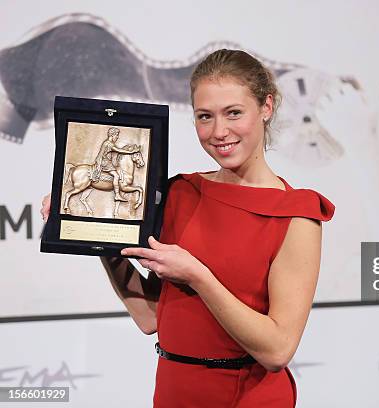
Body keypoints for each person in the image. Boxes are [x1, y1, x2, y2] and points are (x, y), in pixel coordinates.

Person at [42, 49, 335, 407]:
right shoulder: (180, 192)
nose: (219, 132)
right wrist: (97, 229)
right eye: (204, 116)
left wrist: (198, 276)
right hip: (174, 392)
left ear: (267, 108)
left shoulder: (296, 214)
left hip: (247, 398)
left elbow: (277, 350)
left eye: (234, 113)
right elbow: (149, 316)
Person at [91, 127, 140, 202]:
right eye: (116, 135)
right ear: (112, 135)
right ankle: (117, 195)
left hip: (105, 161)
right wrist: (131, 152)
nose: (117, 137)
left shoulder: (107, 142)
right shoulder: (109, 143)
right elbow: (119, 150)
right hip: (104, 161)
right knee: (116, 175)